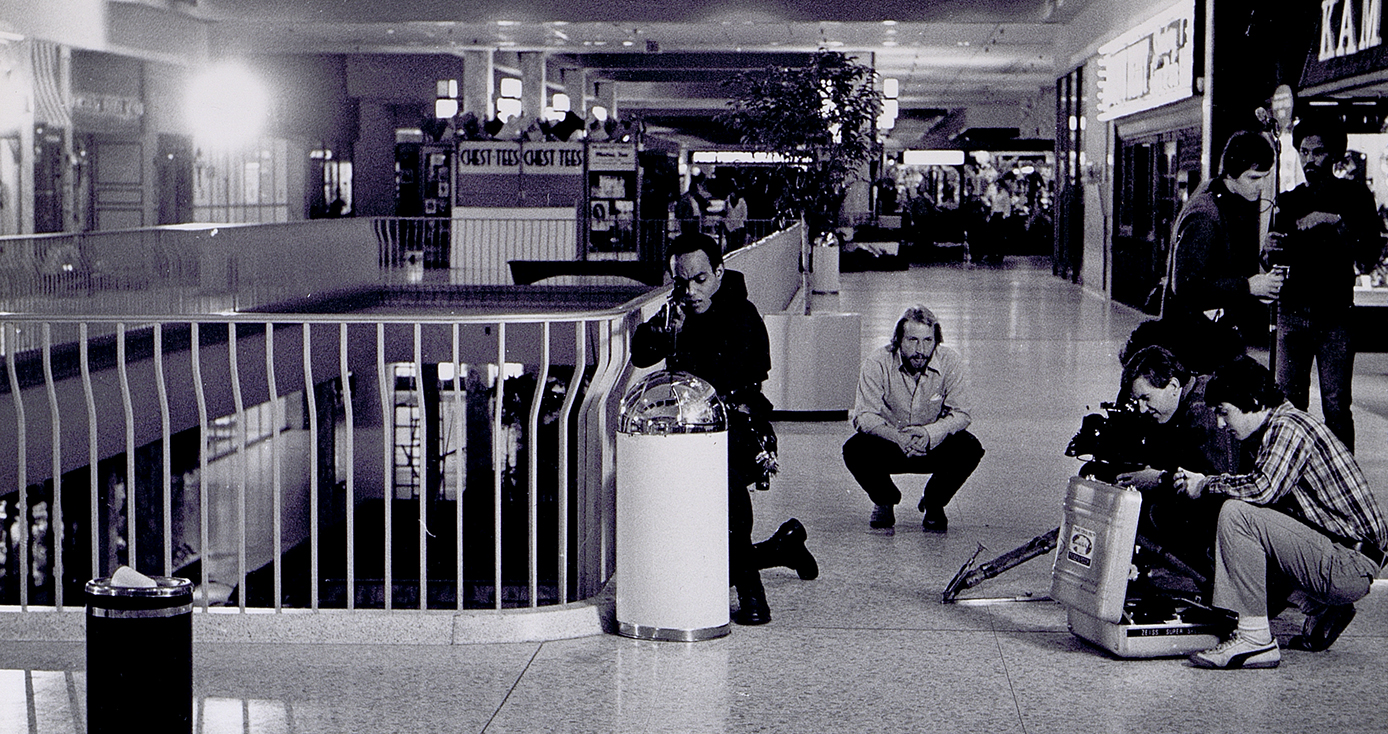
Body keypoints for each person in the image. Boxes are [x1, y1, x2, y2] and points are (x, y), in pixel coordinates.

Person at [631, 233, 817, 626]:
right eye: (682, 282)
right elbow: (642, 351)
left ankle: (752, 593)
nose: (692, 290)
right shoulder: (679, 310)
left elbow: (729, 373)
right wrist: (665, 332)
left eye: (700, 279)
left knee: (728, 494)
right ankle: (782, 548)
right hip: (692, 431)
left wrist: (682, 338)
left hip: (741, 428)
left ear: (718, 272)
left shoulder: (743, 314)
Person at [1172, 358, 1386, 669]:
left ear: (1254, 402)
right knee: (1246, 517)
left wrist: (1205, 484)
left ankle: (1255, 639)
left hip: (1348, 564)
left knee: (1238, 515)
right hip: (1345, 556)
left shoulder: (1288, 427)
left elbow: (1262, 489)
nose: (1221, 423)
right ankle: (1318, 605)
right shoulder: (1276, 427)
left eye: (1224, 411)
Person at [1270, 118, 1383, 452]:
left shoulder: (1356, 197)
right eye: (1304, 152)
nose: (1309, 160)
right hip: (1292, 311)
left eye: (1317, 152)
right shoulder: (1288, 201)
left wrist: (1333, 221)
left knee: (1335, 406)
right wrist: (1269, 250)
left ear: (1333, 155)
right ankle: (1291, 474)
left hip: (1335, 316)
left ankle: (1340, 478)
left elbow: (1369, 255)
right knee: (1288, 404)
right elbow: (1272, 260)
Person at [842, 305, 985, 532]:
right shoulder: (877, 362)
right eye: (912, 340)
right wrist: (897, 437)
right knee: (854, 449)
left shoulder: (950, 361)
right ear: (899, 339)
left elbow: (961, 413)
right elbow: (864, 416)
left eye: (928, 341)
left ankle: (934, 502)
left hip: (931, 444)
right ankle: (884, 500)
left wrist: (930, 434)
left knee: (970, 448)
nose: (920, 349)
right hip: (891, 442)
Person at [1114, 345, 1240, 581]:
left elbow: (1220, 482)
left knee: (1160, 512)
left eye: (1146, 398)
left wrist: (1160, 478)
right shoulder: (1185, 396)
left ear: (1173, 386)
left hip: (1232, 508)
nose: (1142, 408)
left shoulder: (1202, 411)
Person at [1162, 131, 1285, 363]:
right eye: (1253, 178)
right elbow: (1186, 286)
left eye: (1264, 177)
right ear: (1231, 172)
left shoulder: (1223, 198)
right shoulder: (1206, 214)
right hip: (1195, 342)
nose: (1260, 186)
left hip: (1212, 336)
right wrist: (1248, 286)